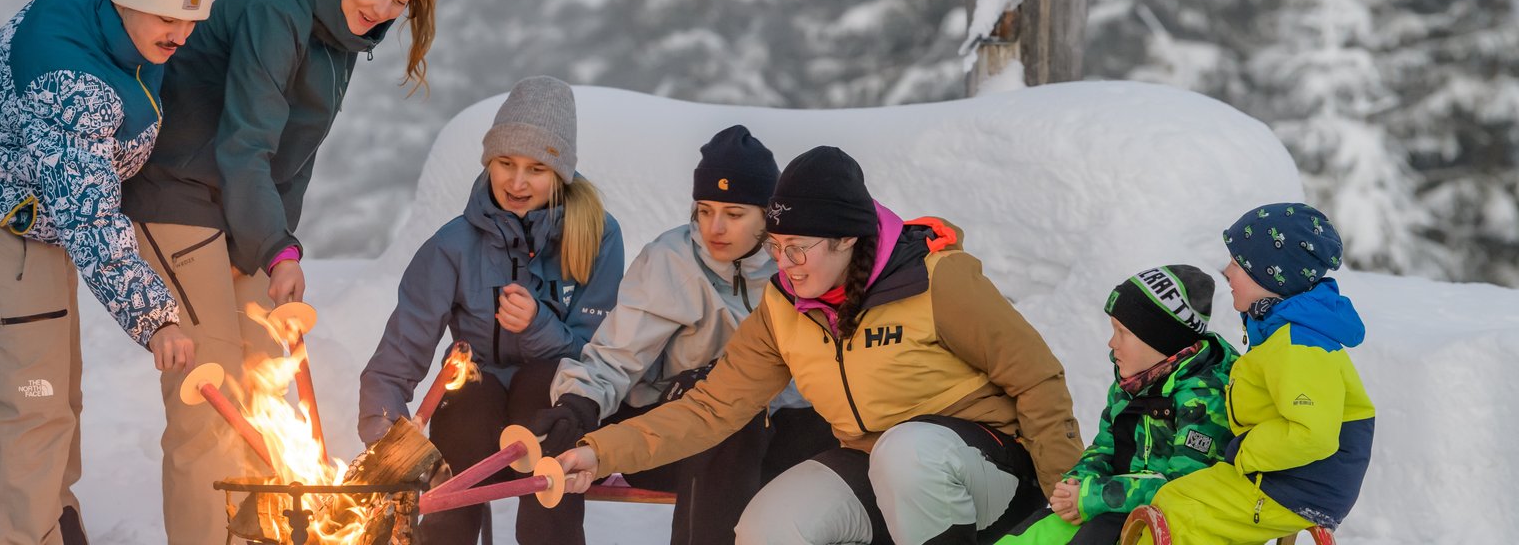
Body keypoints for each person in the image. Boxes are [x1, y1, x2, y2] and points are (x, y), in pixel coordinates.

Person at [557, 146, 1083, 545]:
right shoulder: (784, 307)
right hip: (876, 462)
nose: (785, 265)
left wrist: (1065, 502)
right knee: (768, 526)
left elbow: (1036, 377)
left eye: (799, 248)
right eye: (778, 248)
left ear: (847, 238)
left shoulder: (935, 281)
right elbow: (712, 408)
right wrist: (598, 452)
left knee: (907, 454)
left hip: (985, 470)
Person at [116, 0, 437, 540]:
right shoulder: (276, 9)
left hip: (239, 209)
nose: (384, 8)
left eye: (401, 1)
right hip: (176, 196)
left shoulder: (341, 39)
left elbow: (294, 160)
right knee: (210, 408)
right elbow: (246, 145)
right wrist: (277, 249)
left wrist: (272, 247)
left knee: (264, 381)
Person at [0, 0, 217, 543]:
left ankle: (54, 515)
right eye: (169, 18)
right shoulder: (70, 84)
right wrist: (154, 318)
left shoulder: (105, 3)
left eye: (192, 19)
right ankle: (23, 533)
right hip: (2, 218)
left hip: (43, 216)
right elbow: (87, 213)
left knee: (59, 386)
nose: (181, 35)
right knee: (35, 393)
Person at [526, 125, 836, 545]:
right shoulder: (670, 261)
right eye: (705, 210)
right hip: (662, 437)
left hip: (763, 436)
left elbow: (812, 374)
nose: (715, 227)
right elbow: (617, 354)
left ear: (768, 215)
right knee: (725, 402)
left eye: (734, 213)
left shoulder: (794, 269)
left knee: (816, 429)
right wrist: (579, 403)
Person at [358, 76, 624, 544]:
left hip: (553, 405)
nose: (516, 182)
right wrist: (384, 439)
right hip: (478, 407)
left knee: (546, 391)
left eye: (536, 168)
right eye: (505, 163)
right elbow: (400, 355)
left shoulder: (597, 237)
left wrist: (540, 326)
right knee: (466, 398)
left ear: (559, 173)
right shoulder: (454, 245)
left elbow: (599, 358)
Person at [1147, 203, 1374, 544]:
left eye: (1237, 264)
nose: (1226, 272)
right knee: (1175, 496)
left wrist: (1244, 451)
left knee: (1180, 512)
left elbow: (1312, 434)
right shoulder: (1278, 329)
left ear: (1270, 276)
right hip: (1286, 476)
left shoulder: (1299, 345)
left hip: (1298, 487)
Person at [998, 265, 1237, 544]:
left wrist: (1092, 495)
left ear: (1159, 338)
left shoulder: (1203, 398)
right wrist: (1078, 481)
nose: (1112, 343)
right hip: (1111, 511)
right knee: (1029, 536)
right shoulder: (1131, 384)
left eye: (1122, 332)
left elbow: (1182, 488)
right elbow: (1104, 448)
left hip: (1165, 527)